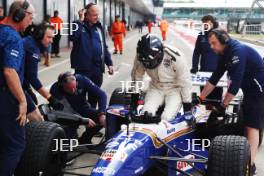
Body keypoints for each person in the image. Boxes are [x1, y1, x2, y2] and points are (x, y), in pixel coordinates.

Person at [192, 29, 264, 175]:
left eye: (214, 43)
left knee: (252, 127)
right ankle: (247, 159)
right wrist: (200, 98)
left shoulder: (237, 52)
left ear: (223, 40)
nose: (211, 47)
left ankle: (250, 166)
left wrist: (222, 106)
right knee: (246, 125)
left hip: (259, 89)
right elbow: (214, 78)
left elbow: (235, 85)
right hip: (250, 88)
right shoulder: (224, 53)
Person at [0, 1, 34, 175]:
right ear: (19, 15)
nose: (31, 21)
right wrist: (22, 100)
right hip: (6, 99)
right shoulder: (13, 38)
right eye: (30, 16)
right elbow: (9, 71)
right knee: (15, 145)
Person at [131, 34, 192, 121]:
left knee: (166, 118)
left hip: (174, 89)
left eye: (150, 61)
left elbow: (185, 82)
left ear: (159, 53)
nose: (148, 64)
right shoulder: (140, 57)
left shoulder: (176, 57)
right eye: (146, 62)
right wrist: (134, 101)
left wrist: (187, 108)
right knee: (146, 114)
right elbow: (137, 77)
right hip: (155, 87)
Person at [69, 3, 113, 108]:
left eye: (98, 15)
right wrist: (80, 20)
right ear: (86, 14)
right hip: (83, 69)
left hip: (97, 69)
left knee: (94, 97)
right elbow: (73, 37)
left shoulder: (99, 28)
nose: (97, 17)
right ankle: (81, 119)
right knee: (80, 97)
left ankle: (92, 117)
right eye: (94, 15)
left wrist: (109, 63)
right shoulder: (77, 25)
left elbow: (104, 47)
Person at [50, 72, 107, 143]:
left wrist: (102, 114)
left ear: (76, 81)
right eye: (69, 89)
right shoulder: (55, 90)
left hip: (83, 108)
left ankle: (85, 139)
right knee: (67, 143)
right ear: (62, 86)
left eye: (75, 87)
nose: (73, 91)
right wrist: (82, 120)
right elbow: (62, 113)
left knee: (105, 118)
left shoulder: (82, 80)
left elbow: (102, 95)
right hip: (67, 116)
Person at [23, 24, 63, 121]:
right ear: (39, 35)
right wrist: (50, 98)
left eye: (52, 38)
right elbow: (32, 77)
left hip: (16, 83)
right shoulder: (32, 48)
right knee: (38, 120)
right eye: (49, 37)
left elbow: (25, 71)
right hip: (9, 86)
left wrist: (28, 89)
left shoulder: (30, 42)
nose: (51, 41)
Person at [190, 15, 223, 102]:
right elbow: (196, 52)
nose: (205, 26)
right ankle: (207, 114)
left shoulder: (220, 35)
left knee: (217, 100)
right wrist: (194, 66)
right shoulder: (201, 36)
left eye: (208, 24)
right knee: (205, 99)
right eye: (204, 24)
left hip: (218, 72)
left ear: (214, 24)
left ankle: (216, 114)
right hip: (204, 71)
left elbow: (226, 52)